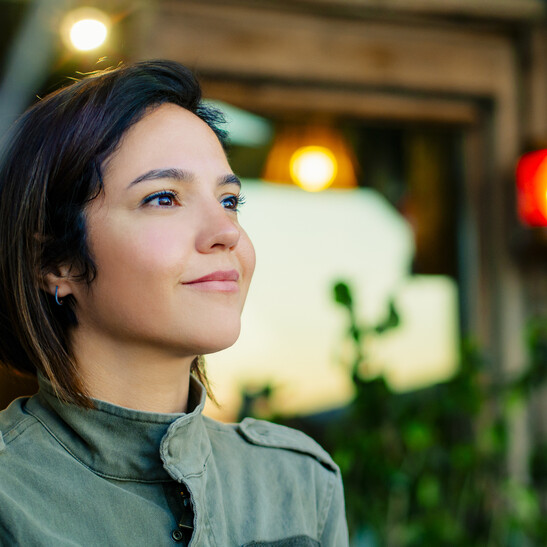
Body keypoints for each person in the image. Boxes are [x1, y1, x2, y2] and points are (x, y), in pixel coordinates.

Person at [0, 60, 348, 546]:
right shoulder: (9, 496)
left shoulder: (297, 483)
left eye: (229, 201)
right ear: (56, 262)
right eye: (164, 198)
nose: (227, 231)